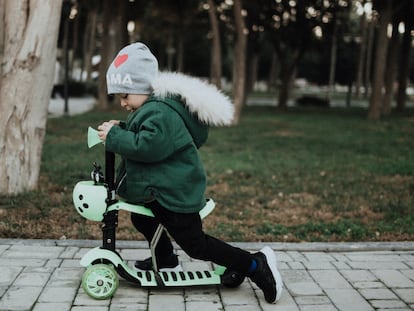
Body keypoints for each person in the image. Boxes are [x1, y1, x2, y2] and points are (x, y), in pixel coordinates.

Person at [97, 42, 283, 304]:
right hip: (164, 188)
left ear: (142, 87)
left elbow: (149, 146)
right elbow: (148, 134)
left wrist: (116, 137)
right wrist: (124, 128)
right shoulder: (154, 109)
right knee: (143, 219)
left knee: (196, 245)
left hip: (175, 192)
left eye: (125, 95)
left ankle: (255, 265)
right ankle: (166, 260)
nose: (123, 102)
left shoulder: (159, 112)